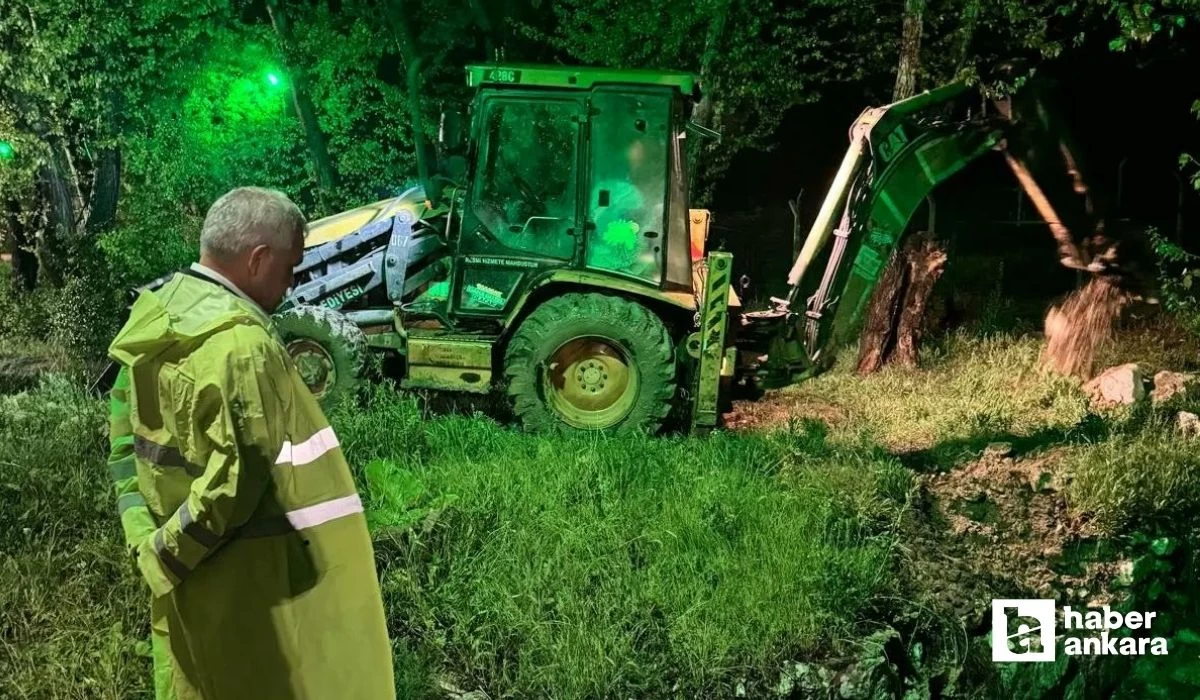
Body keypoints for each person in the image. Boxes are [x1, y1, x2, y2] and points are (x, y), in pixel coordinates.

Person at [105, 186, 396, 699]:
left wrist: (148, 545)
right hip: (244, 582)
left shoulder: (157, 315)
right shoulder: (244, 348)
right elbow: (231, 487)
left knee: (193, 675)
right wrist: (169, 555)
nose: (291, 283)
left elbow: (125, 443)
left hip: (180, 572)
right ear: (259, 259)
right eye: (290, 267)